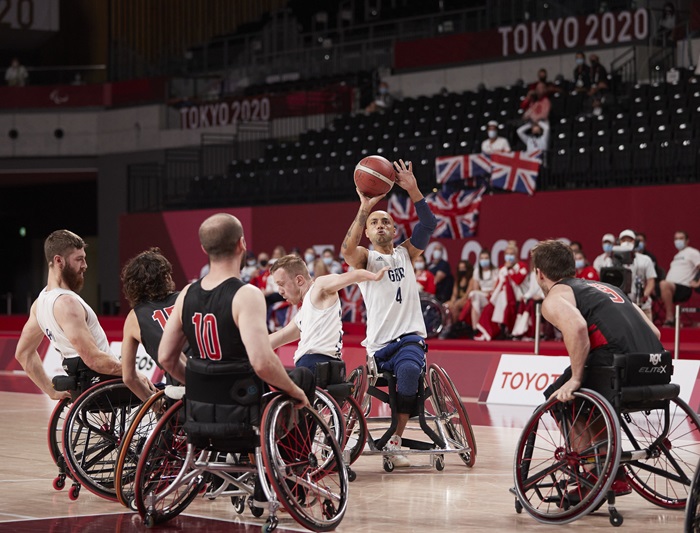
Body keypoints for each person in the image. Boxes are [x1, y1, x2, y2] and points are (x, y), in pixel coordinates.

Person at [532, 239, 663, 497]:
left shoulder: (555, 297)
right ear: (572, 268)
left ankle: (591, 474)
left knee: (559, 397)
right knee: (587, 397)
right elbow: (655, 332)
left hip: (617, 365)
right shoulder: (606, 287)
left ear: (539, 273)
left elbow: (578, 328)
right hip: (654, 366)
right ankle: (612, 471)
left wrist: (576, 378)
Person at [158, 213, 312, 409]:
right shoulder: (247, 295)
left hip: (199, 409)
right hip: (241, 407)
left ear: (204, 249)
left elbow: (165, 357)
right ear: (242, 244)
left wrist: (198, 384)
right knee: (302, 379)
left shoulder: (187, 293)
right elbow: (262, 362)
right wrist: (294, 391)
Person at [341, 159, 437, 467]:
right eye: (375, 223)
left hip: (409, 339)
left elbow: (428, 225)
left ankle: (396, 438)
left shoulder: (406, 254)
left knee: (409, 373)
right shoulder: (365, 259)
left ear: (395, 230)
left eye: (386, 222)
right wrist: (364, 208)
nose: (381, 225)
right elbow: (346, 249)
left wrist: (414, 190)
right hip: (378, 346)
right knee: (366, 388)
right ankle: (343, 440)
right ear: (368, 232)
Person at [14, 230, 146, 400]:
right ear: (58, 261)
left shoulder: (39, 304)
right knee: (165, 395)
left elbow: (23, 354)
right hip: (105, 383)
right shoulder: (67, 304)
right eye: (79, 259)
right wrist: (133, 373)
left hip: (86, 380)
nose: (85, 265)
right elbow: (94, 360)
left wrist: (51, 391)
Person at [268, 254, 386, 372]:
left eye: (281, 284)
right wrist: (251, 347)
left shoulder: (319, 287)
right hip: (323, 366)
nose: (280, 291)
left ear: (299, 280)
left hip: (314, 364)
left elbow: (350, 276)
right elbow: (281, 336)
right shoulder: (304, 313)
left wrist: (374, 276)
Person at [120, 248, 188, 401]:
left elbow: (129, 377)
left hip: (179, 390)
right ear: (165, 277)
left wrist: (155, 404)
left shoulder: (133, 318)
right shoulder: (187, 296)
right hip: (206, 376)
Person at [474, 242, 530, 341]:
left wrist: (509, 270)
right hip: (502, 298)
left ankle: (504, 330)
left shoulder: (522, 266)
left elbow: (518, 280)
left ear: (516, 255)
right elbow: (499, 285)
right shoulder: (501, 269)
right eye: (507, 254)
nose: (509, 257)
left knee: (503, 299)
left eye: (511, 254)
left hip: (520, 297)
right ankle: (489, 332)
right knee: (489, 308)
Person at [659, 231, 700, 326]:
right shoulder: (676, 256)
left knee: (663, 284)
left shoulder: (692, 252)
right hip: (671, 287)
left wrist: (698, 283)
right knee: (658, 285)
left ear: (687, 240)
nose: (678, 241)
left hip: (683, 288)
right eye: (676, 239)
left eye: (681, 238)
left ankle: (670, 317)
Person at [617, 229, 657, 320]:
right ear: (619, 242)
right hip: (620, 307)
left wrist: (644, 295)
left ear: (635, 242)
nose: (626, 243)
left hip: (642, 306)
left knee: (647, 333)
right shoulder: (613, 261)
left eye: (629, 240)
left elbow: (651, 281)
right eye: (623, 240)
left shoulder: (645, 259)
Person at [467, 249, 498, 330]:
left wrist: (487, 292)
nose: (484, 260)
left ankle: (477, 328)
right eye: (482, 258)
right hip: (481, 295)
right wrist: (483, 292)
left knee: (474, 297)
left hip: (492, 297)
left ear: (490, 259)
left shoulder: (495, 271)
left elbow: (494, 289)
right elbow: (475, 288)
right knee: (475, 297)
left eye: (486, 258)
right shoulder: (477, 271)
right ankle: (475, 328)